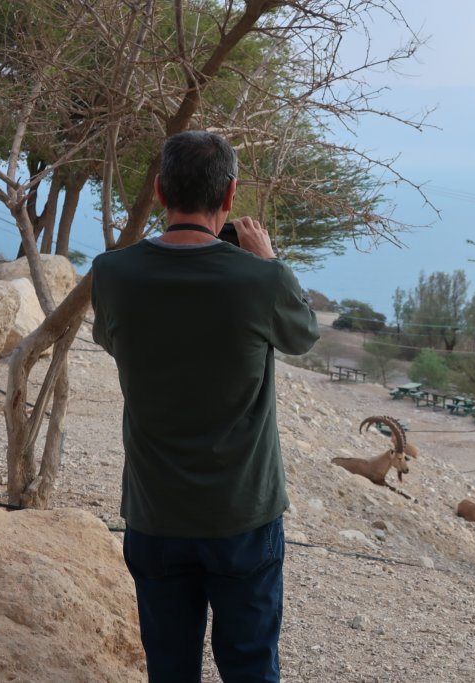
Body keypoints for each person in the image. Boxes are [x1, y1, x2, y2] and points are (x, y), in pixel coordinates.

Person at [91, 130, 320, 683]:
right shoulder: (261, 280)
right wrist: (270, 261)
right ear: (230, 195)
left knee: (169, 670)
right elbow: (303, 334)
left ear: (161, 190)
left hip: (155, 514)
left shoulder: (112, 274)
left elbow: (110, 339)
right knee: (249, 667)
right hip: (244, 514)